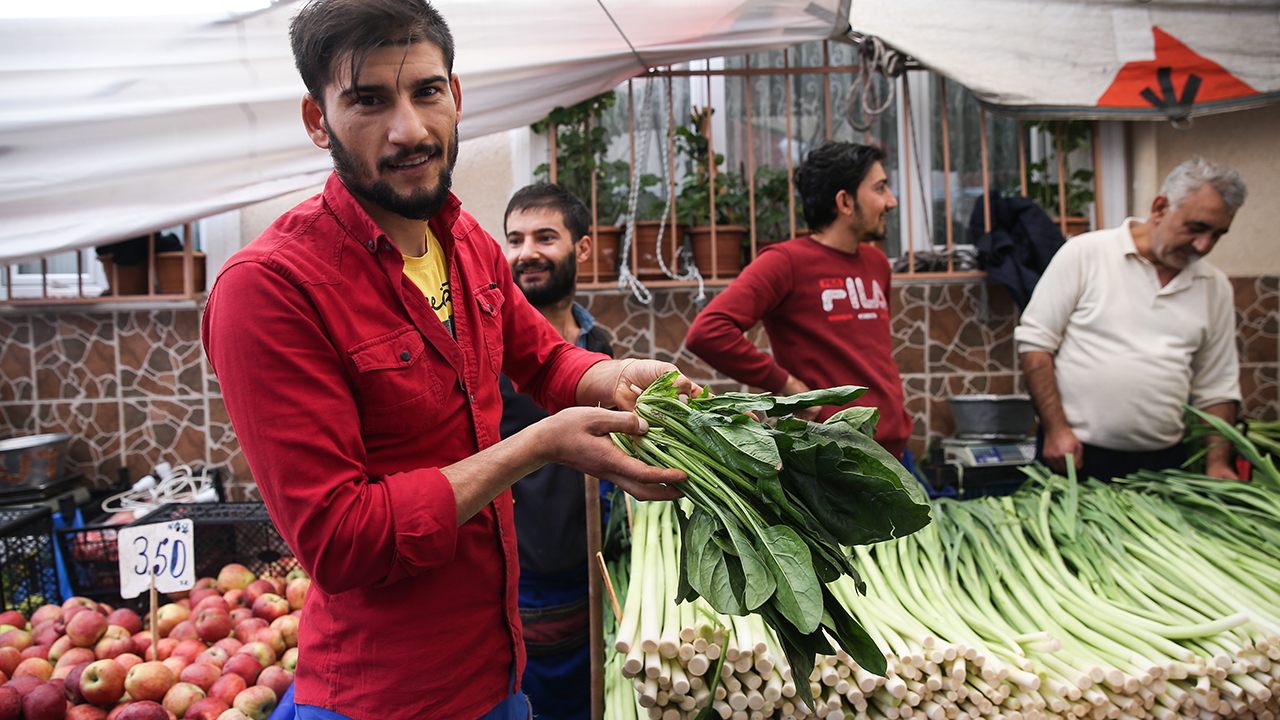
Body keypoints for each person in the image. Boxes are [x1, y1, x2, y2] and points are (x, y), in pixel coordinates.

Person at [199, 2, 697, 718]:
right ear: (318, 120)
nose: (409, 130)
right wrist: (536, 446)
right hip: (385, 697)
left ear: (456, 95)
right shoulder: (268, 289)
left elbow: (547, 360)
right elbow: (340, 541)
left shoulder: (464, 240)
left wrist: (611, 376)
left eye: (426, 91)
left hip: (498, 677)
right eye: (368, 100)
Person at [1014, 157, 1247, 482]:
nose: (1203, 245)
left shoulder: (1214, 286)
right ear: (1160, 207)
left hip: (1166, 464)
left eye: (1217, 234)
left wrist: (1217, 463)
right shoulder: (1086, 253)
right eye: (1196, 228)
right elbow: (1035, 343)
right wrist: (1055, 430)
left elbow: (1217, 385)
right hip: (1075, 455)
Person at [685, 141, 913, 459]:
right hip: (833, 455)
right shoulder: (786, 262)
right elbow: (708, 331)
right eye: (880, 188)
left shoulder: (878, 264)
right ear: (844, 201)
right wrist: (788, 385)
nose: (891, 201)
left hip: (895, 447)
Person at [499, 183, 612, 720]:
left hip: (588, 580)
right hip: (518, 587)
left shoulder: (599, 348)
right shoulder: (485, 356)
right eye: (514, 240)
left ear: (582, 249)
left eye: (545, 237)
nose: (526, 253)